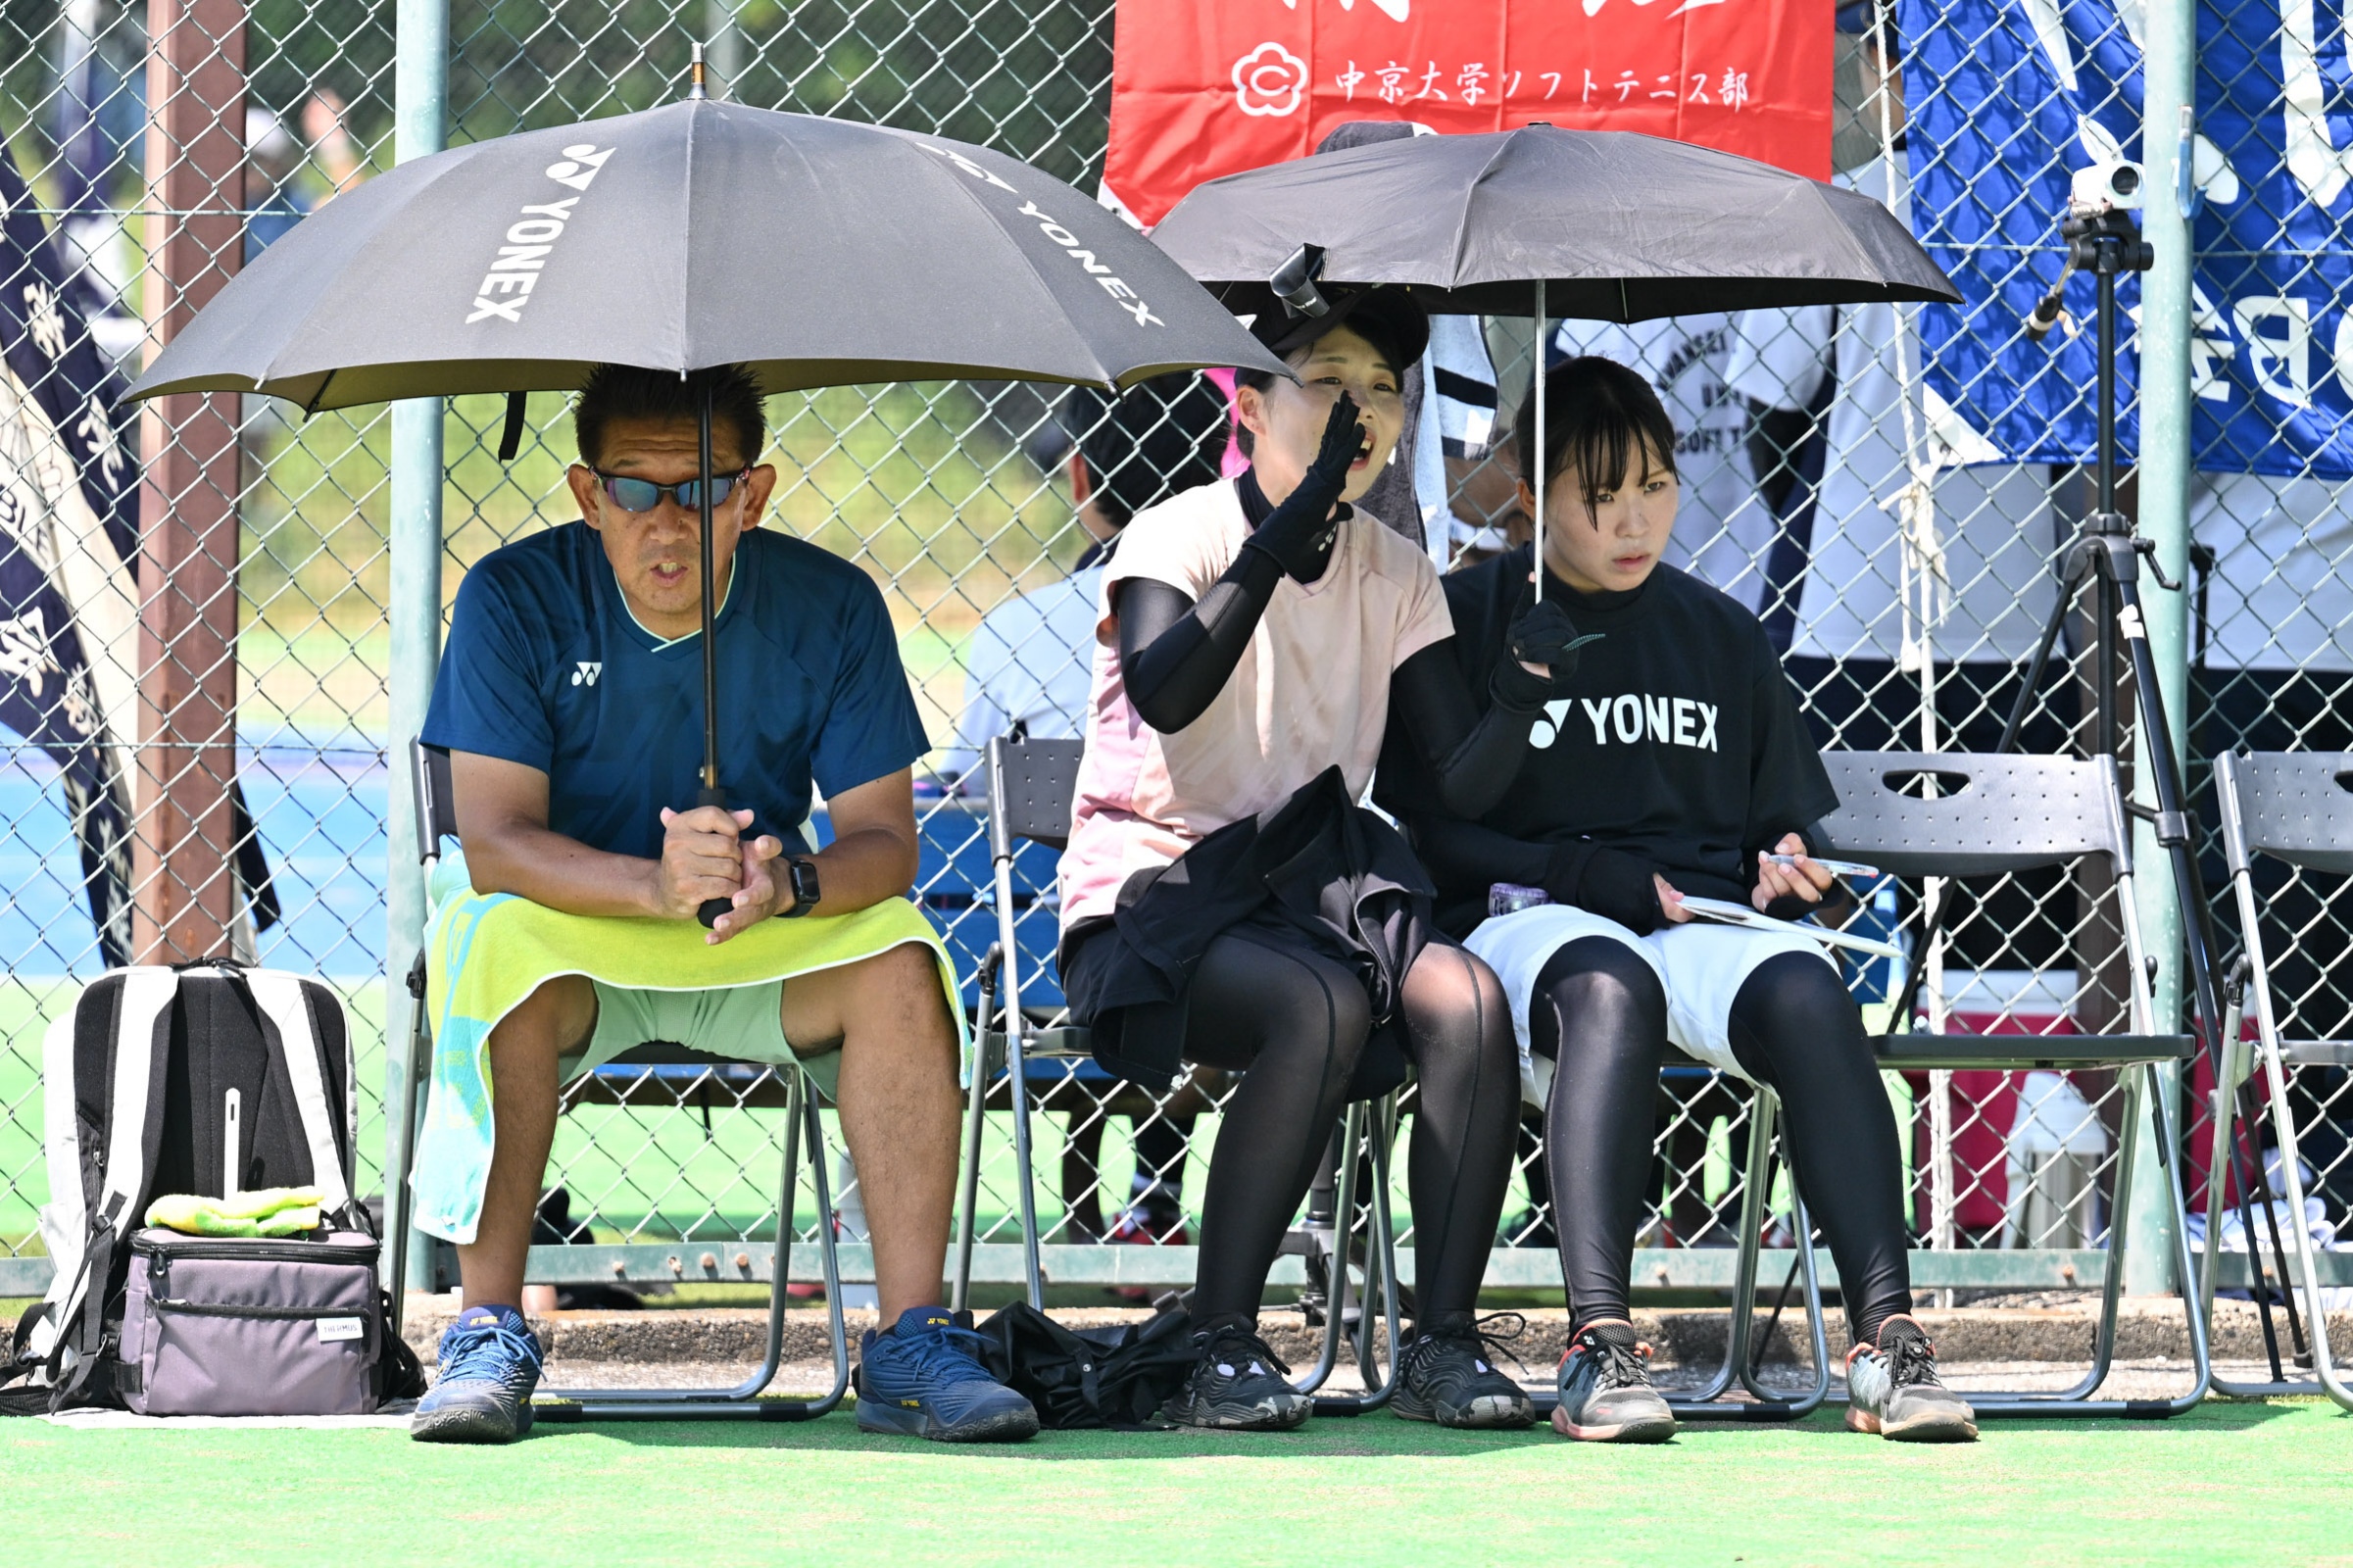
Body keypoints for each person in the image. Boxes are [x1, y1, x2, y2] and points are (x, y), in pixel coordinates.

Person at [413, 362, 1037, 1446]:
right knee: (490, 936)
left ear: (752, 493)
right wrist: (651, 887)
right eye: (633, 489)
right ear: (586, 493)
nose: (667, 523)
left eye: (701, 489)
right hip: (575, 939)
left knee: (901, 955)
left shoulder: (832, 602)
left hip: (753, 933)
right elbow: (496, 844)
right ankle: (487, 1328)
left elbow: (885, 843)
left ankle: (910, 1340)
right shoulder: (512, 594)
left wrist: (789, 882)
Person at [1377, 356, 1979, 1445]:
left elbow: (1779, 828)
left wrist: (1787, 865)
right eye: (1599, 494)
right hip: (1525, 916)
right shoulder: (1466, 614)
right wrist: (1578, 872)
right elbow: (1431, 831)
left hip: (1688, 920)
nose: (1633, 519)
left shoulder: (1720, 631)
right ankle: (1598, 1343)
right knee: (1609, 986)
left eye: (1653, 486)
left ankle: (1885, 1340)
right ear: (1531, 492)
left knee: (1807, 993)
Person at [1056, 286, 1579, 1431]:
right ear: (1248, 404)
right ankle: (1220, 1343)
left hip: (1312, 888)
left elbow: (1459, 781)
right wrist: (1280, 535)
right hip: (1156, 894)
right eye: (1330, 381)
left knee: (1470, 1002)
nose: (1363, 409)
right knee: (1321, 1003)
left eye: (1385, 388)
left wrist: (1520, 689)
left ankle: (1443, 1341)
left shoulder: (1394, 568)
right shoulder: (1176, 535)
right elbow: (1166, 690)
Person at [939, 372, 1228, 1264]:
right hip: (1220, 947)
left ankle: (860, 1212)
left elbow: (963, 793)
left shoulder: (1016, 627)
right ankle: (1155, 1191)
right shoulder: (1250, 624)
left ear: (1078, 478)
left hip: (1034, 964)